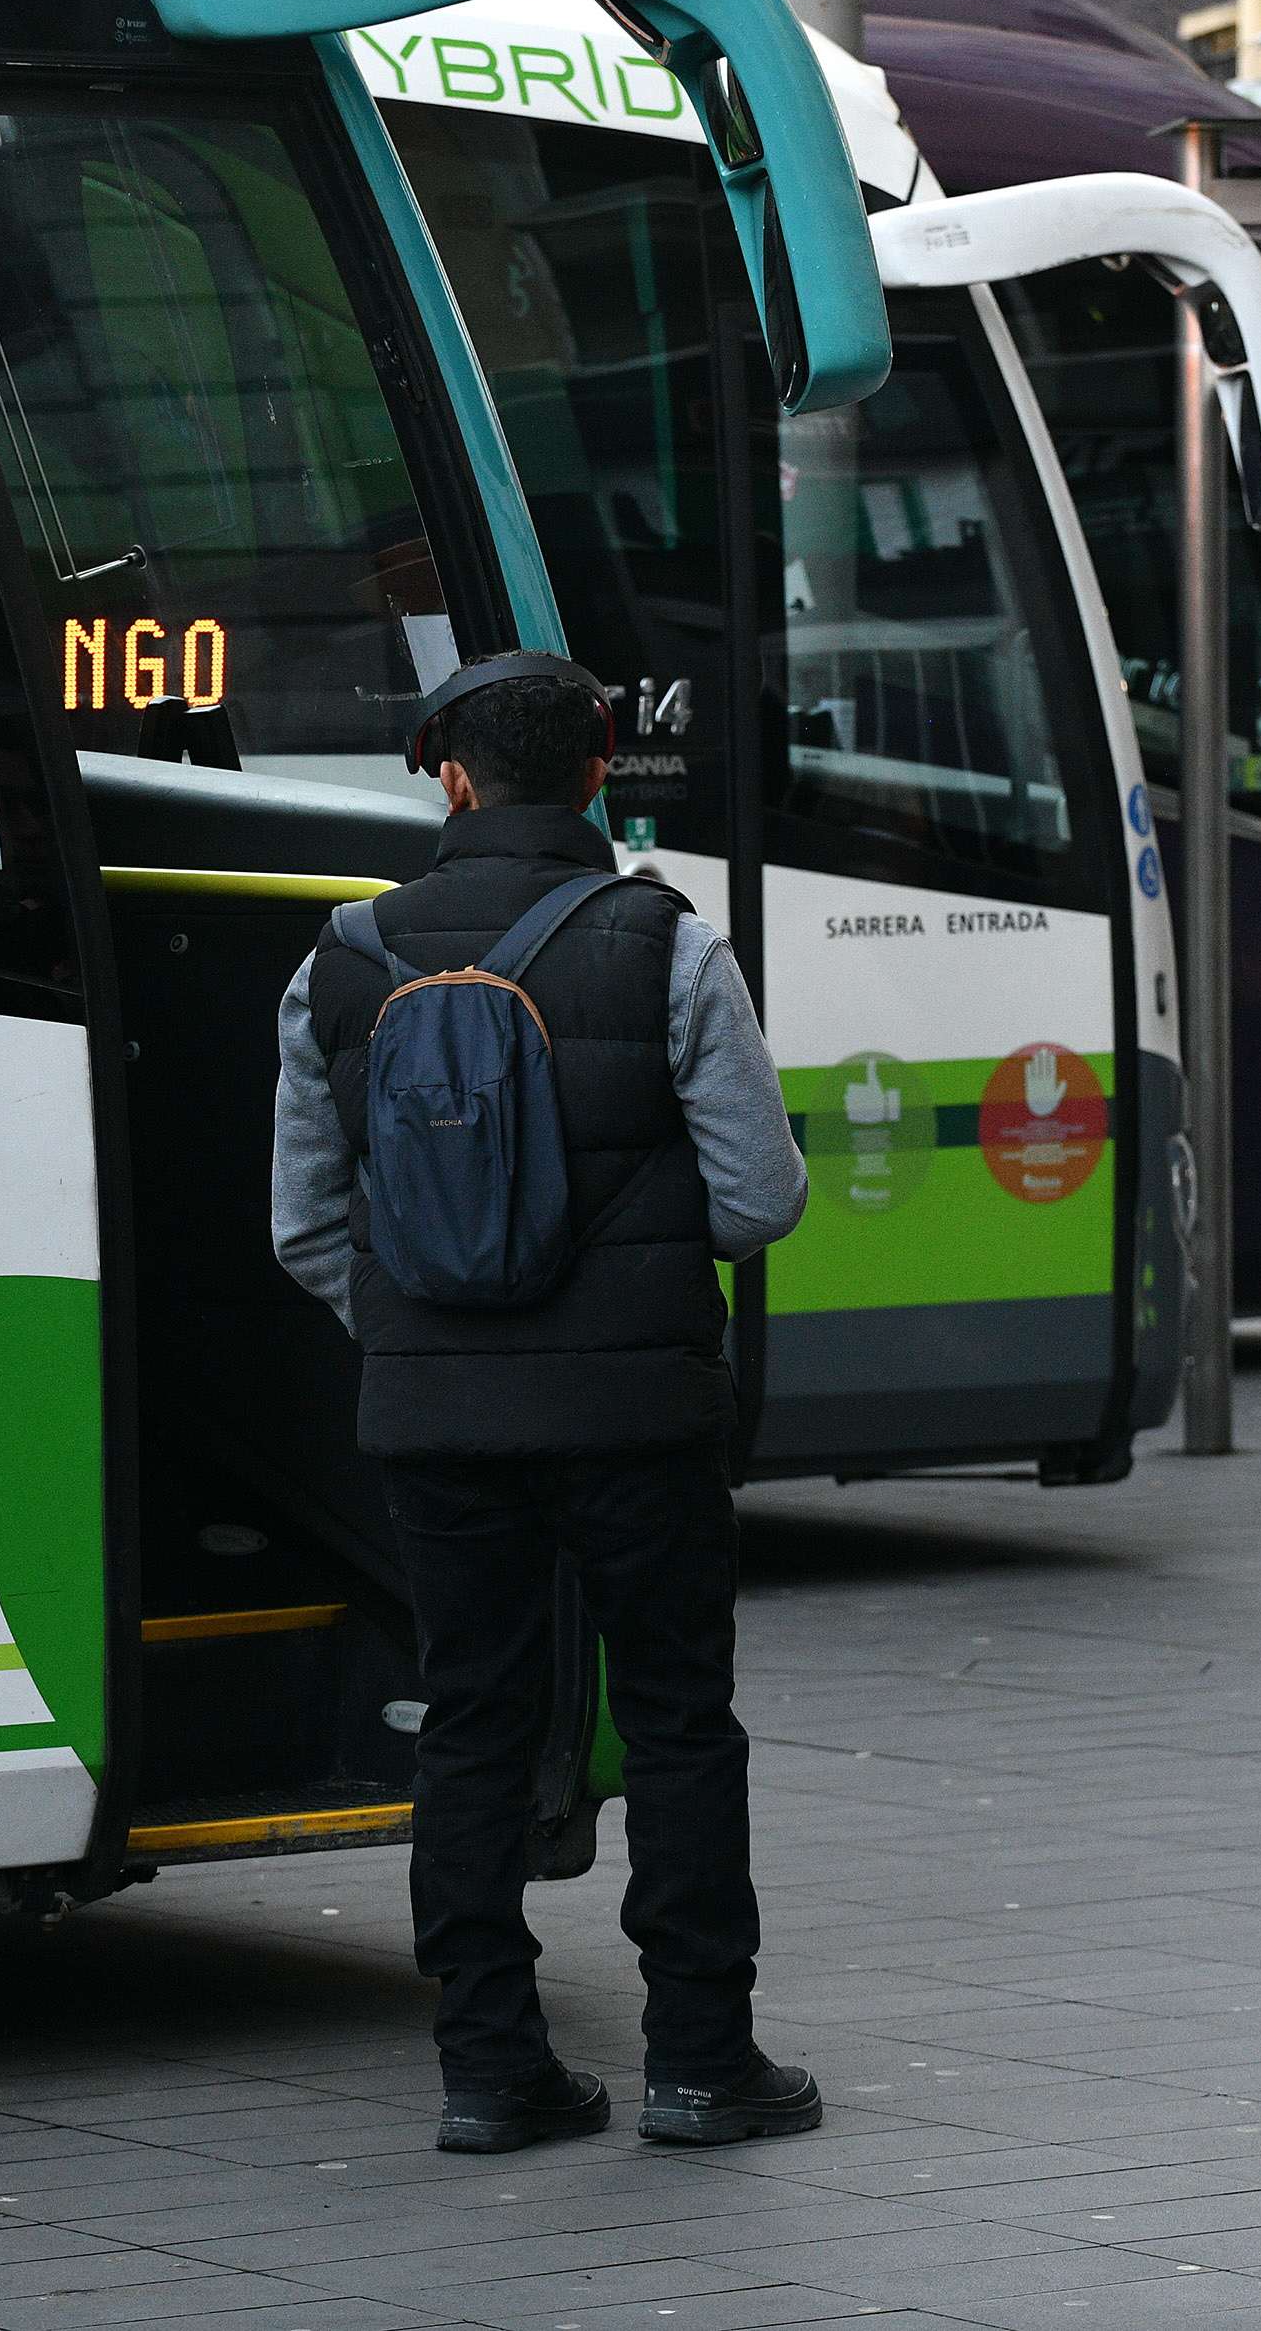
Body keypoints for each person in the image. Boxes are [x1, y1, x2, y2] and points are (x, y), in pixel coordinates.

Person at [268, 650, 820, 2156]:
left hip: (437, 1425)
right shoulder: (665, 944)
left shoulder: (345, 957)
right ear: (597, 772)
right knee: (679, 1721)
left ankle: (491, 2067)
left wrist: (424, 1332)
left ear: (448, 775)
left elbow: (304, 1225)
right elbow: (764, 1197)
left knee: (471, 1717)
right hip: (641, 1413)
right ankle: (704, 2059)